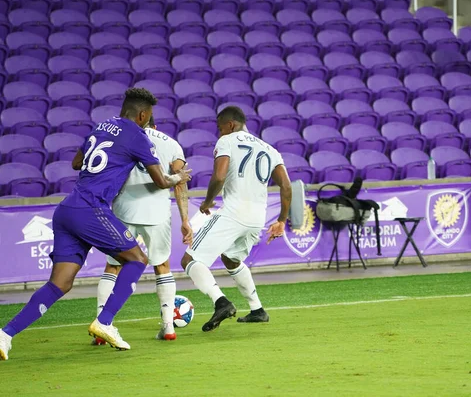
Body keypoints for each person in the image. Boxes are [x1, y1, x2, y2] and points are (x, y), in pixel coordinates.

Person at [0, 88, 192, 360]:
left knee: (60, 284)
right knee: (137, 259)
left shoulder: (101, 126)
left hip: (67, 209)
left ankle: (5, 334)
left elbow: (76, 162)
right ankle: (105, 321)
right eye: (148, 116)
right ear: (142, 115)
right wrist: (178, 177)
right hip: (92, 208)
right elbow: (162, 180)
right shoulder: (137, 135)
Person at [180, 105, 292, 332]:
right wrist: (281, 219)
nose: (220, 133)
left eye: (220, 128)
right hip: (256, 218)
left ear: (230, 125)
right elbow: (286, 186)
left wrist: (208, 201)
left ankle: (221, 302)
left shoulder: (227, 141)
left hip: (233, 213)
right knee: (231, 259)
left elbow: (219, 176)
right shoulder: (270, 150)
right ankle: (257, 310)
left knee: (189, 260)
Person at [92, 115, 192, 345]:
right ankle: (168, 326)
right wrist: (185, 219)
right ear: (154, 125)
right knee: (162, 266)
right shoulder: (171, 143)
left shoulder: (123, 137)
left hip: (124, 209)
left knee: (113, 265)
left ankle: (101, 325)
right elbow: (180, 182)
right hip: (157, 212)